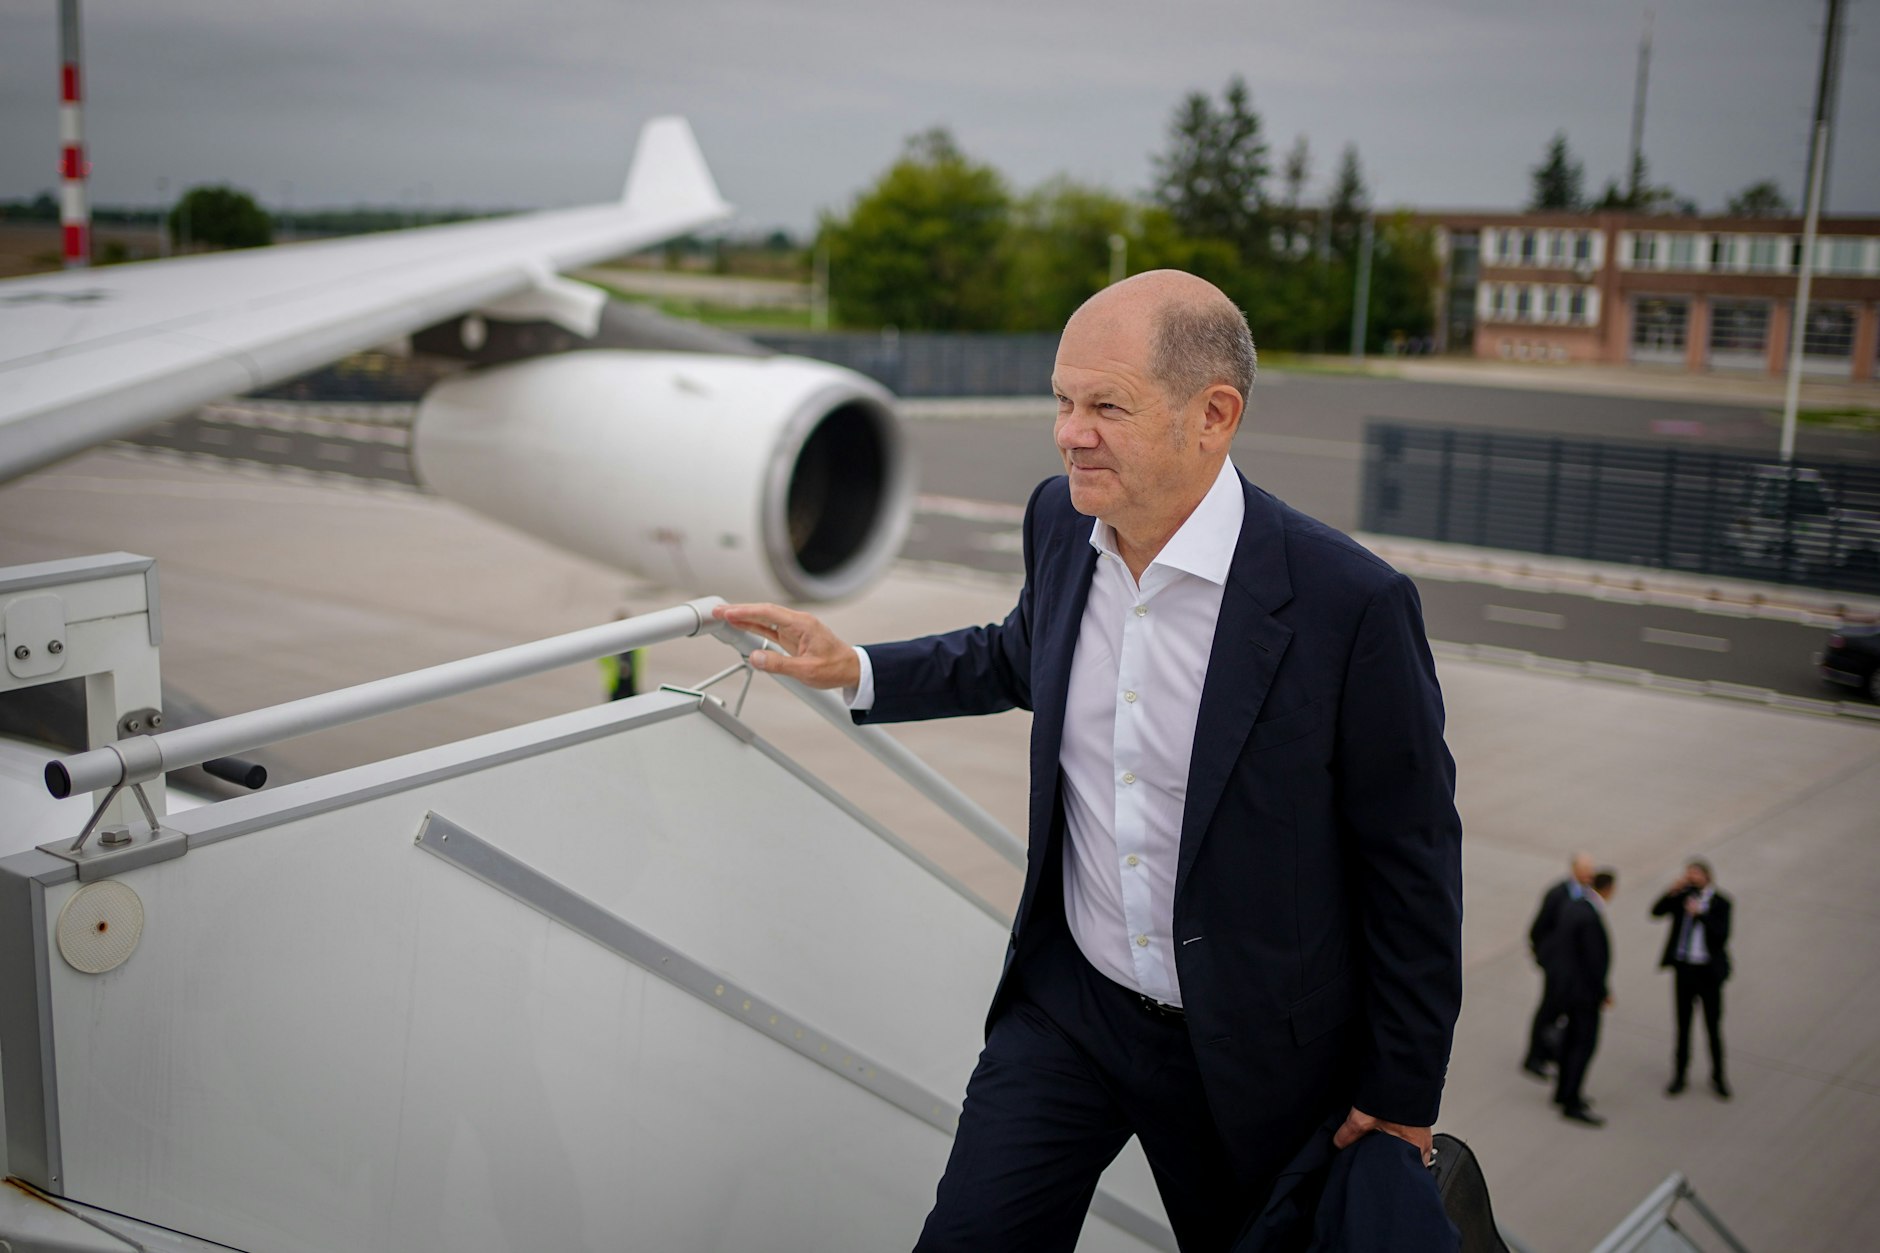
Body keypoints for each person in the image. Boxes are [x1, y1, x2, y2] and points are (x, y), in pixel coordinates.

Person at [715, 270, 1463, 1250]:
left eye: (1106, 406)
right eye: (1062, 401)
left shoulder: (1348, 603)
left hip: (1249, 1053)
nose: (1070, 433)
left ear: (1214, 415)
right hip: (1073, 1007)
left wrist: (1402, 1090)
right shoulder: (1060, 521)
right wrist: (855, 665)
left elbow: (1410, 859)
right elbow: (1019, 653)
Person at [1651, 859, 1732, 1099]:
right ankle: (1679, 1075)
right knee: (1683, 1026)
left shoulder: (1722, 902)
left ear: (1707, 876)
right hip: (1684, 969)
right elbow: (1656, 912)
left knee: (1712, 1026)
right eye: (1688, 875)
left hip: (1708, 972)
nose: (1691, 879)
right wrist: (1671, 891)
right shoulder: (1682, 898)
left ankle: (1718, 1076)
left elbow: (1721, 935)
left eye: (1695, 874)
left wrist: (1701, 914)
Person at [1549, 869, 1616, 1127]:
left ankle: (1562, 1091)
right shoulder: (1589, 916)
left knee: (1570, 1042)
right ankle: (1571, 1100)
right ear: (1608, 889)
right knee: (1582, 1045)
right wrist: (1603, 992)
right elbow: (1594, 961)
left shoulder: (1573, 905)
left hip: (1567, 990)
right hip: (1584, 994)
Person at [1522, 854, 1595, 1078]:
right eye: (1585, 870)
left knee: (1560, 1010)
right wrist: (1545, 957)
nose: (1589, 875)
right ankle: (1535, 1056)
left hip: (1570, 967)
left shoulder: (1586, 894)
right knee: (1549, 1008)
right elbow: (1539, 927)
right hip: (1556, 965)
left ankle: (1549, 1048)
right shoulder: (1558, 894)